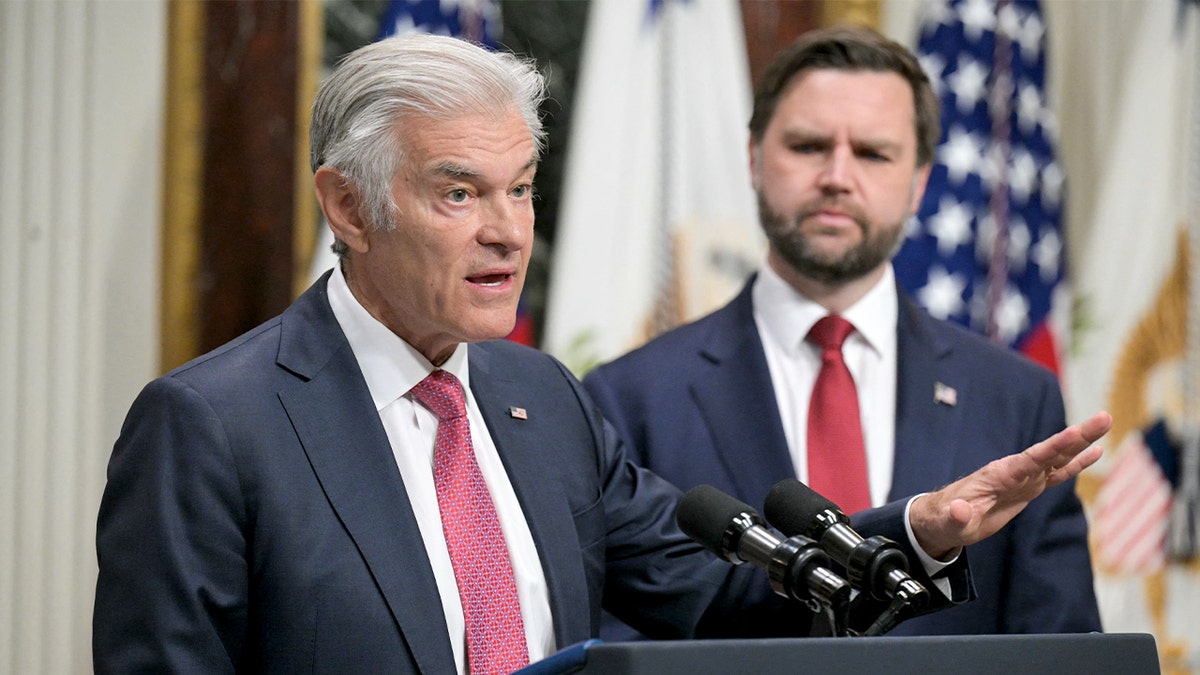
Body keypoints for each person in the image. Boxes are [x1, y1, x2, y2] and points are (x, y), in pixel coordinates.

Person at [94, 33, 1108, 673]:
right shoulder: (211, 426)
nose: (507, 231)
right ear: (347, 205)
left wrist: (919, 533)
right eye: (459, 192)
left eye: (522, 188)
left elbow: (719, 592)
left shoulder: (544, 400)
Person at [584, 26, 1102, 639]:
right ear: (753, 158)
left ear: (918, 184)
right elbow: (617, 640)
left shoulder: (1016, 399)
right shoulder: (629, 396)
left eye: (873, 153)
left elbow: (1059, 646)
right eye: (807, 146)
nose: (836, 175)